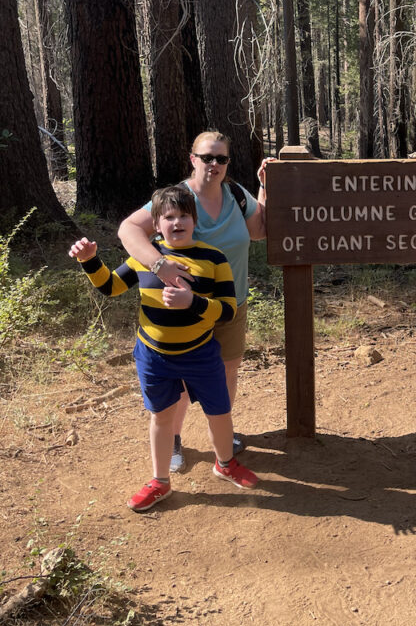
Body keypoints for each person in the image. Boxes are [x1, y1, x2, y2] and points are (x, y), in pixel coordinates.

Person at [69, 185, 260, 512]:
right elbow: (111, 287)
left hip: (201, 354)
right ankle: (160, 481)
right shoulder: (145, 258)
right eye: (168, 217)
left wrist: (194, 302)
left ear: (194, 220)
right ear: (156, 225)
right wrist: (90, 261)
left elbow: (228, 309)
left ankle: (225, 463)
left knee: (219, 411)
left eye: (183, 215)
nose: (176, 222)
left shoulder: (213, 259)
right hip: (154, 357)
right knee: (161, 416)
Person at [118, 131, 269, 474]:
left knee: (227, 370)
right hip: (180, 310)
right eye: (206, 157)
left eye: (221, 159)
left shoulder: (235, 194)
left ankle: (223, 439)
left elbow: (259, 230)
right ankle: (173, 440)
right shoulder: (179, 199)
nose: (213, 165)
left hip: (231, 301)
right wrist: (159, 264)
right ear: (192, 159)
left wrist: (265, 186)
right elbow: (128, 229)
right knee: (182, 384)